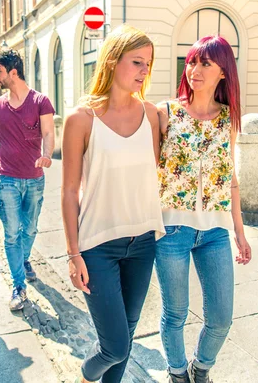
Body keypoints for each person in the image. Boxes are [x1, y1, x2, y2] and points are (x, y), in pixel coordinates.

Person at [62, 24, 165, 383]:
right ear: (111, 61)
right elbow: (69, 190)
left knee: (128, 334)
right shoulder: (80, 119)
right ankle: (86, 377)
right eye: (137, 62)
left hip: (143, 244)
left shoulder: (152, 115)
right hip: (97, 246)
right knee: (115, 346)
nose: (143, 71)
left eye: (148, 65)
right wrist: (73, 254)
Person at [156, 35, 252, 383]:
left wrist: (240, 233)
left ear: (223, 72)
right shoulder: (165, 112)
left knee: (221, 317)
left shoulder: (229, 119)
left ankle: (201, 368)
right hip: (171, 232)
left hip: (214, 232)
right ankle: (178, 373)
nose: (194, 69)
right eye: (192, 61)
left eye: (205, 63)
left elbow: (232, 179)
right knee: (176, 314)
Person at [0, 48, 55, 311]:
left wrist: (47, 155)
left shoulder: (40, 101)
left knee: (30, 229)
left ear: (13, 72)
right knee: (12, 233)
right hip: (6, 178)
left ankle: (23, 260)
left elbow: (48, 133)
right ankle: (19, 285)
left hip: (34, 178)